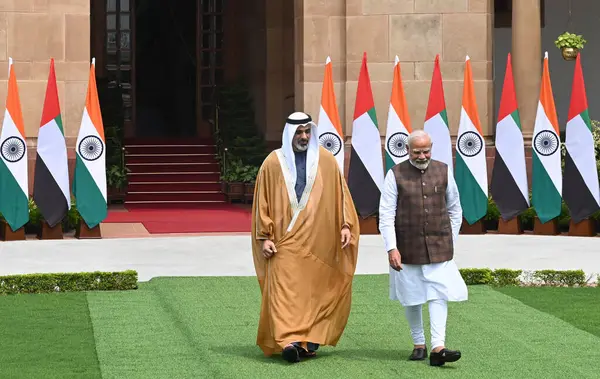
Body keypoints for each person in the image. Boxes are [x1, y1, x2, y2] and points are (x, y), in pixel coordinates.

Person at [251, 111, 360, 363]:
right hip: (283, 240)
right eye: (298, 132)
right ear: (289, 134)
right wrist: (263, 237)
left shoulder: (326, 160)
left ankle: (307, 341)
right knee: (284, 290)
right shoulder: (273, 162)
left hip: (318, 239)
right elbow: (262, 202)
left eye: (307, 132)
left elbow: (341, 195)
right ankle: (287, 341)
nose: (303, 136)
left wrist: (345, 225)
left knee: (315, 292)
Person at [378, 129, 468, 367]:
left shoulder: (443, 170)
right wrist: (391, 248)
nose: (421, 156)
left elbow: (455, 210)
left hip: (440, 245)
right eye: (416, 151)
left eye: (426, 151)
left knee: (439, 294)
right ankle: (419, 344)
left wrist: (451, 239)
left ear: (432, 148)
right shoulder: (395, 174)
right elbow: (386, 214)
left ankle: (438, 347)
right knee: (412, 296)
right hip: (406, 247)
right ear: (408, 150)